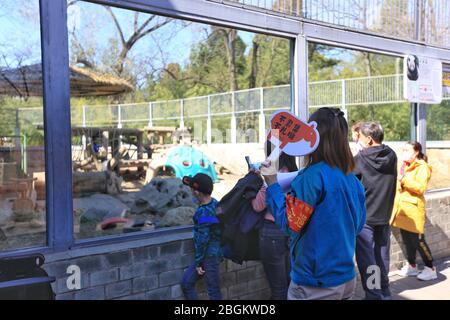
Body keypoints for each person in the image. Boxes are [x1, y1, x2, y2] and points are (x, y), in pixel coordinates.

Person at [262, 107, 366, 300]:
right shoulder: (352, 180)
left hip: (315, 283)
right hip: (346, 279)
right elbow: (358, 226)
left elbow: (291, 223)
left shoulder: (312, 176)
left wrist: (272, 185)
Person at [354, 122, 397, 300]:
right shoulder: (392, 155)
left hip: (366, 218)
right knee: (382, 257)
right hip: (384, 214)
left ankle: (373, 294)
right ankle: (384, 292)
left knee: (368, 260)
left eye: (360, 137)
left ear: (369, 139)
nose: (358, 140)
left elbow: (351, 182)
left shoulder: (361, 157)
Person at [250, 143, 298, 300]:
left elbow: (258, 206)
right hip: (293, 232)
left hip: (272, 232)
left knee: (278, 289)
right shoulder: (298, 175)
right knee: (291, 283)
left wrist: (259, 183)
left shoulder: (271, 175)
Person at [390, 141, 437, 281]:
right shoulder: (405, 165)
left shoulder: (423, 167)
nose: (404, 152)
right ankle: (412, 266)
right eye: (403, 150)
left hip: (414, 210)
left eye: (407, 150)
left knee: (418, 241)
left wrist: (403, 180)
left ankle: (431, 268)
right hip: (403, 210)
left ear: (416, 152)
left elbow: (420, 188)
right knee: (407, 240)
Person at [180, 173, 223, 300]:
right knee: (187, 282)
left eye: (192, 190)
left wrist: (199, 262)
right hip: (216, 252)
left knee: (213, 291)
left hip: (208, 256)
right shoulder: (216, 204)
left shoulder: (202, 213)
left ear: (197, 192)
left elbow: (202, 240)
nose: (191, 192)